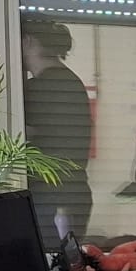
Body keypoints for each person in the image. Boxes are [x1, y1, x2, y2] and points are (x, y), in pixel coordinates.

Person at [20, 19, 94, 241]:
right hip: (74, 194)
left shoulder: (39, 87)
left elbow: (20, 138)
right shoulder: (72, 82)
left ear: (27, 40)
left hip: (50, 200)